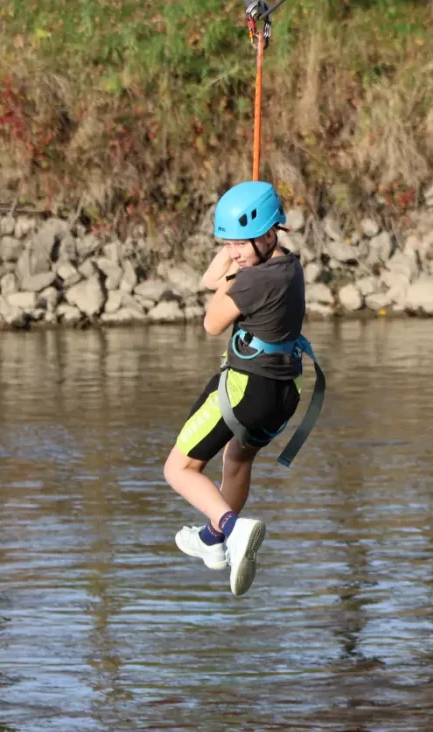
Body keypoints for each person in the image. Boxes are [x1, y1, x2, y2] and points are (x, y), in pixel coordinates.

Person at [162, 180, 310, 598]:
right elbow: (214, 275)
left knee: (178, 469)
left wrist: (238, 269)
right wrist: (236, 246)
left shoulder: (253, 280)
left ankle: (232, 527)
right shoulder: (288, 264)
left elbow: (211, 323)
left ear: (269, 234)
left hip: (246, 388)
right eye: (227, 243)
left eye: (241, 244)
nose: (234, 252)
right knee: (237, 461)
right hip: (283, 393)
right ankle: (214, 541)